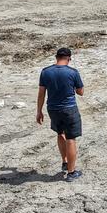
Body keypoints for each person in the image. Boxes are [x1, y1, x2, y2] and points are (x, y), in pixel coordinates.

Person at [36, 47, 84, 180]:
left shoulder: (45, 72)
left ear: (56, 57)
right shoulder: (73, 72)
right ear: (69, 58)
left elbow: (41, 94)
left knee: (60, 133)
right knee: (71, 139)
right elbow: (80, 92)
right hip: (69, 109)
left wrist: (39, 111)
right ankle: (71, 172)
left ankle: (65, 161)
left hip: (52, 109)